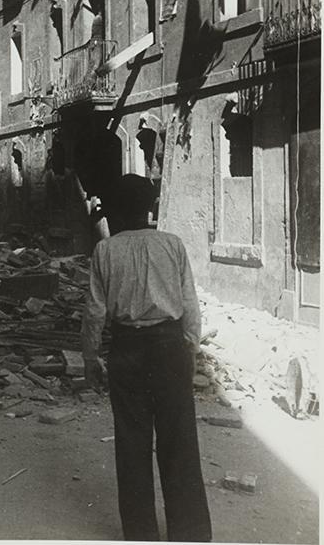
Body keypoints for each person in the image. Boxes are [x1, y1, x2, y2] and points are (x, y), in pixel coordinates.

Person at [81, 173, 212, 542]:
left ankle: (141, 535)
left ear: (116, 213)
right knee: (180, 443)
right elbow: (190, 306)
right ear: (149, 209)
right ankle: (190, 535)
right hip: (170, 350)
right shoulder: (172, 245)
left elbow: (94, 312)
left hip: (127, 352)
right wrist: (189, 349)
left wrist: (91, 358)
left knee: (132, 445)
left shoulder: (105, 251)